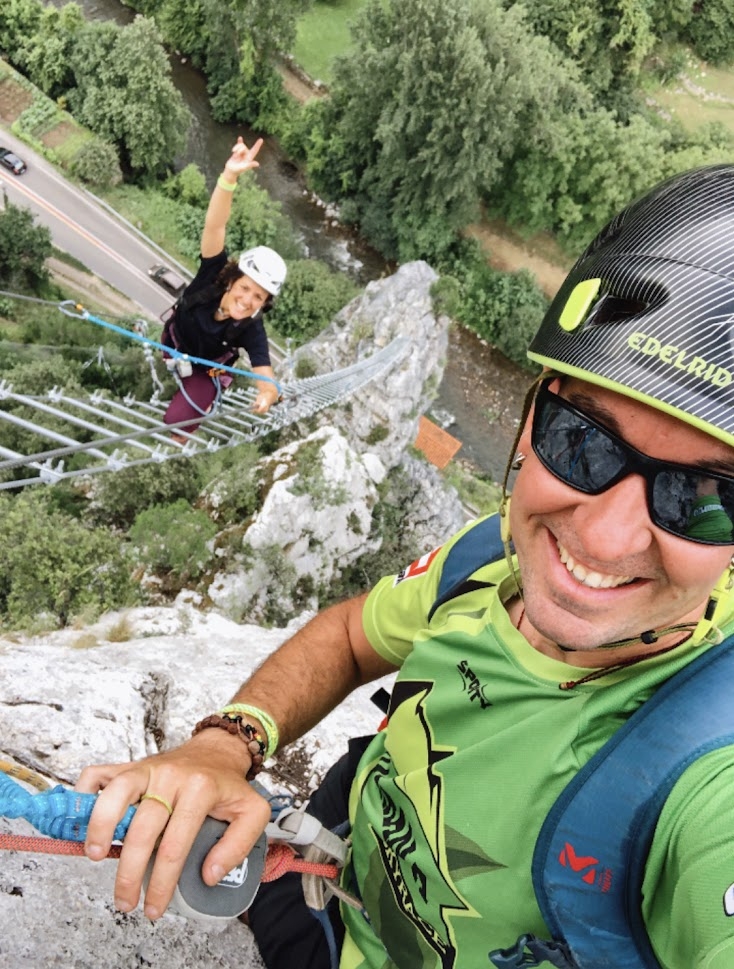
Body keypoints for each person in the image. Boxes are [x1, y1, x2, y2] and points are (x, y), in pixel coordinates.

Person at [76, 164, 734, 969]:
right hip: (320, 880)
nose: (603, 537)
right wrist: (228, 743)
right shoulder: (491, 553)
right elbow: (354, 634)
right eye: (582, 441)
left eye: (706, 497)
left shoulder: (709, 772)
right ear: (531, 415)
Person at [162, 136, 286, 438]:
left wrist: (268, 394)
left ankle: (183, 434)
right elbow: (215, 225)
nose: (248, 300)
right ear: (231, 280)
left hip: (206, 371)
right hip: (172, 344)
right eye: (245, 288)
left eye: (258, 297)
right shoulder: (212, 273)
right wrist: (229, 176)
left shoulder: (251, 328)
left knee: (176, 422)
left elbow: (264, 373)